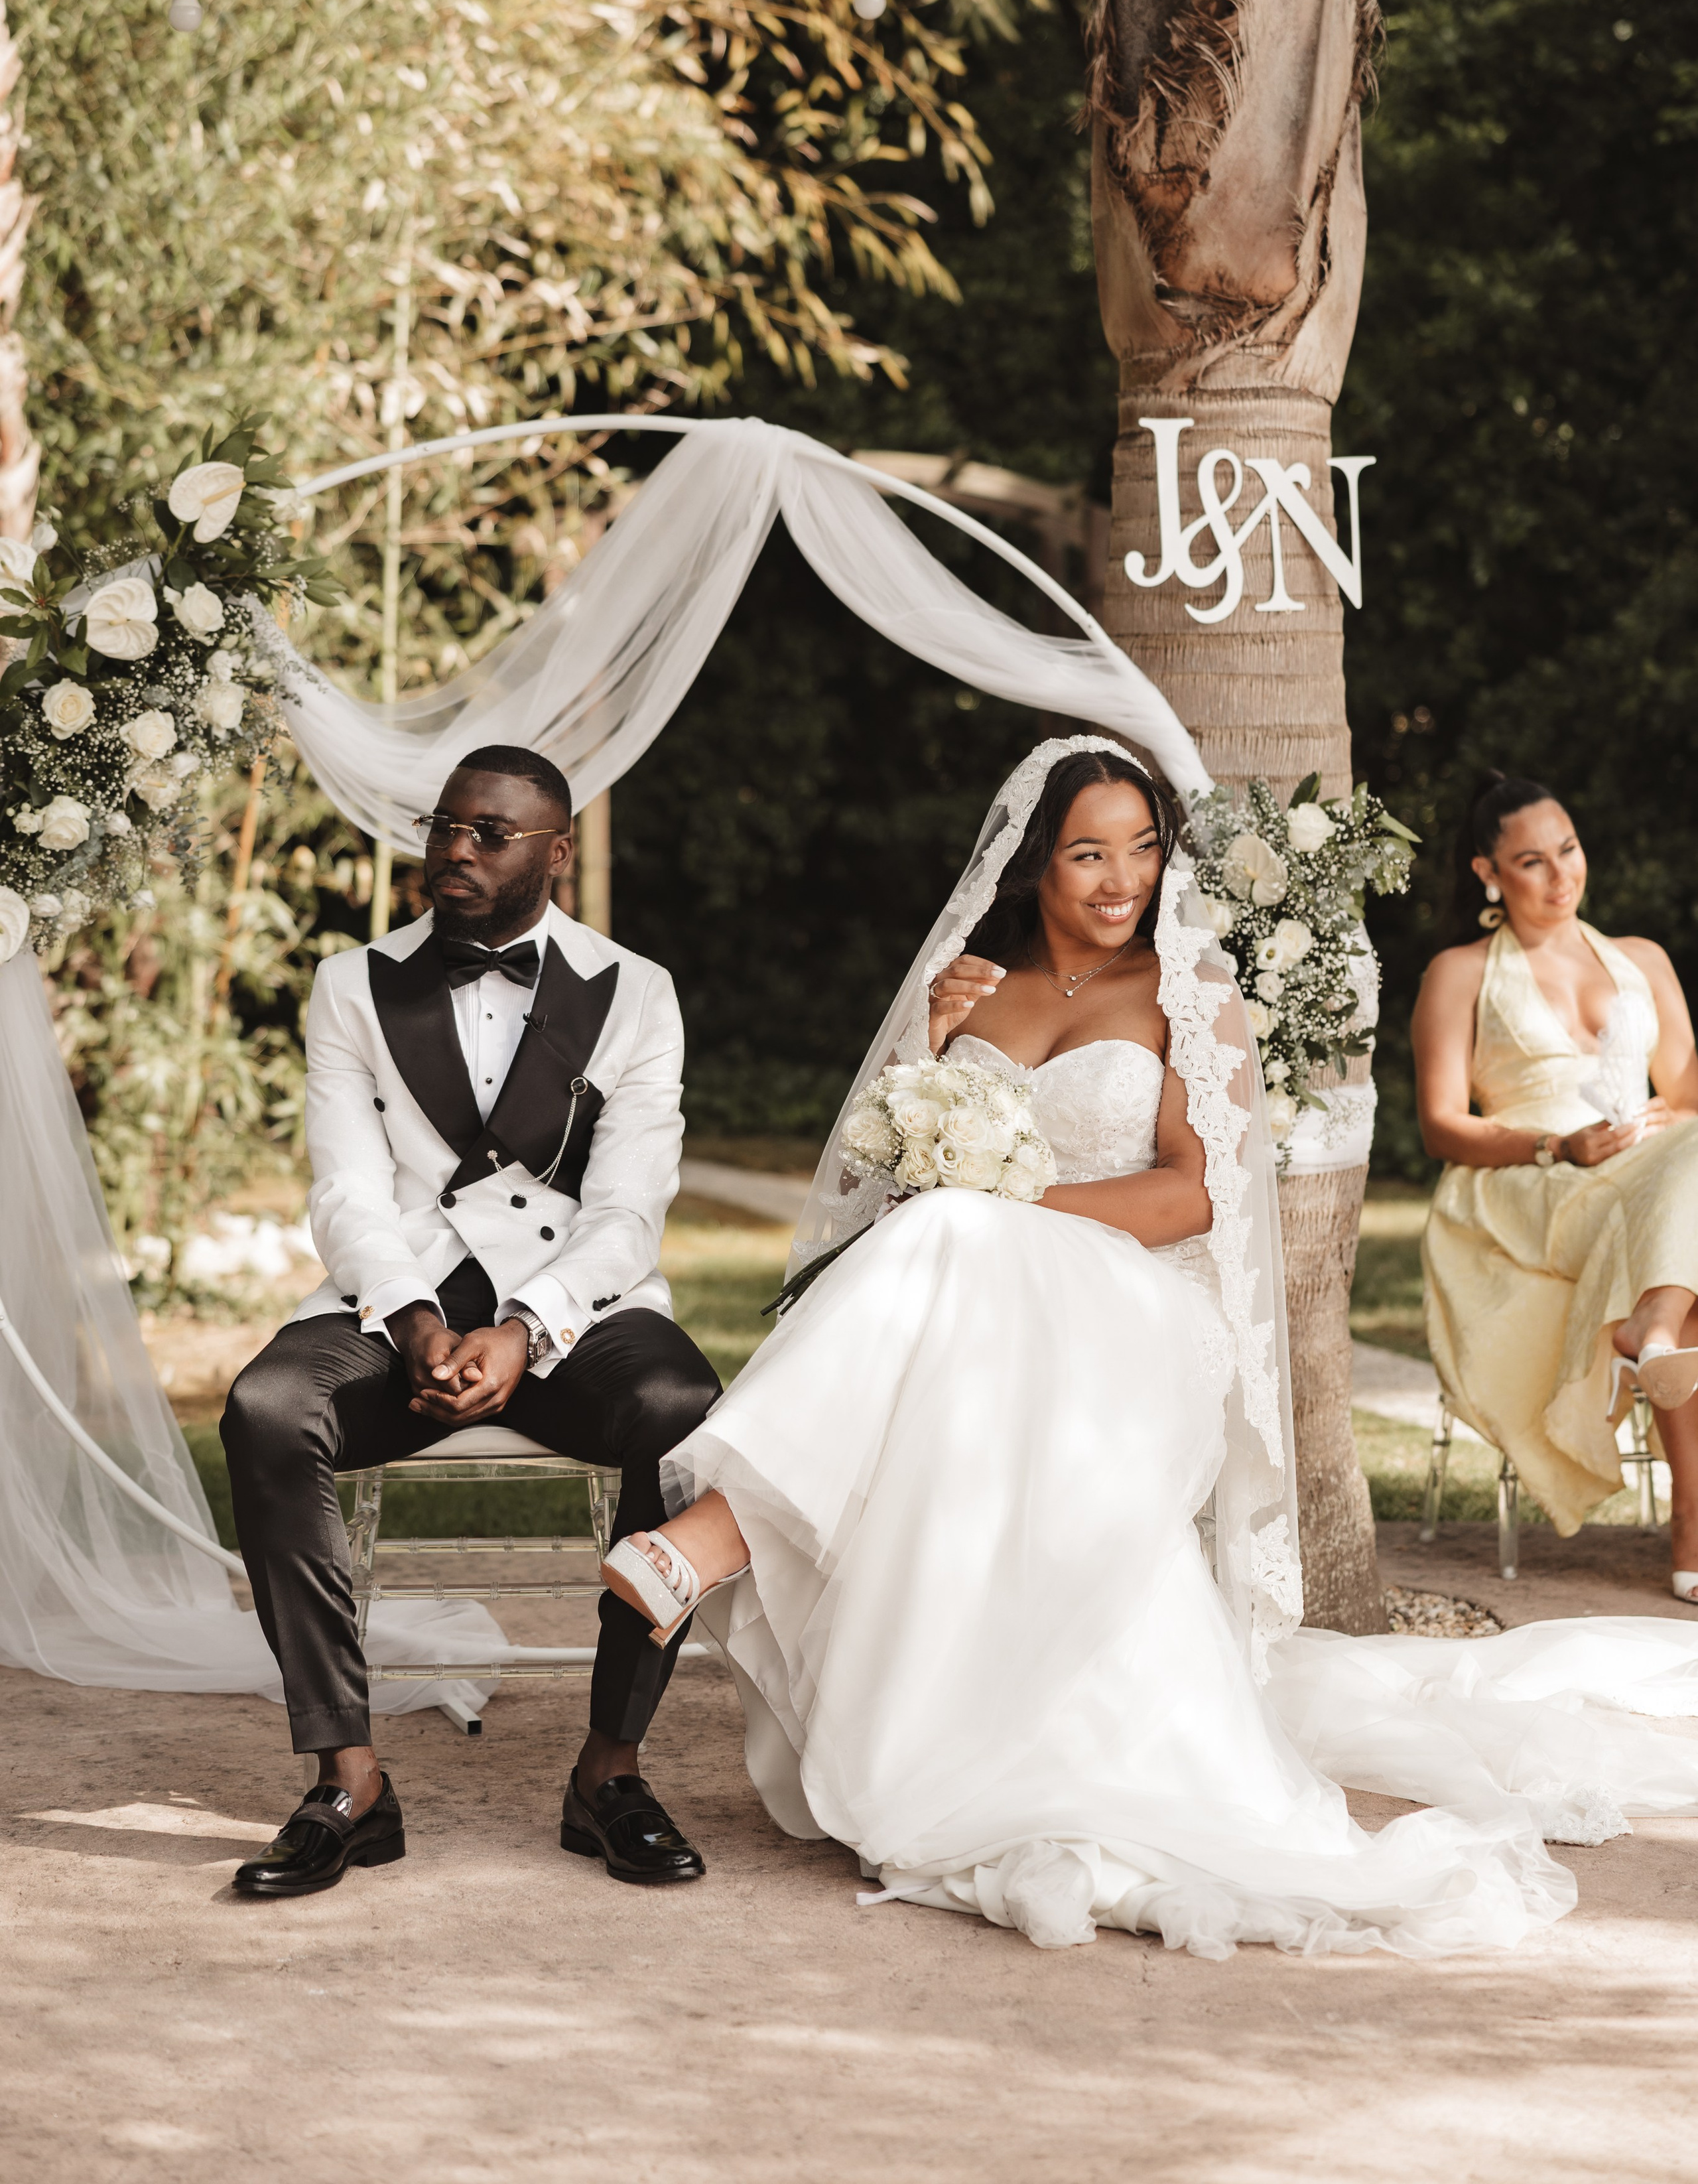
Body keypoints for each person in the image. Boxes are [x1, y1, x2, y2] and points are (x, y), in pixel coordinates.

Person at [594, 738, 1698, 1958]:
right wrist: (925, 1045)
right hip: (977, 1293)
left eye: (1141, 847)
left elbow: (1193, 1200)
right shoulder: (975, 985)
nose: (1119, 878)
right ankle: (792, 1610)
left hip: (1134, 1304)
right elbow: (881, 1171)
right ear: (1036, 862)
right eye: (1087, 851)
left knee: (956, 1238)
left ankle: (714, 1534)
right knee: (944, 1250)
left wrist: (1008, 1209)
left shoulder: (1188, 992)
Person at [222, 745, 721, 1896]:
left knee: (683, 1413)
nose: (455, 848)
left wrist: (528, 1329)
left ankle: (610, 1771)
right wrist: (410, 1325)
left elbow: (630, 1210)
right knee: (266, 1405)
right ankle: (348, 1781)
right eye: (446, 826)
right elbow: (345, 1191)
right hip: (398, 1305)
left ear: (555, 852)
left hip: (571, 1310)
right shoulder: (353, 984)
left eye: (488, 833)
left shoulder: (634, 992)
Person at [1411, 772, 1698, 1591]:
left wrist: (1650, 1130)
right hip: (1525, 1175)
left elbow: (1684, 1098)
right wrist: (1558, 1146)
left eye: (1567, 850)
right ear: (1487, 874)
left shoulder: (1642, 959)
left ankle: (1654, 1325)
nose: (1560, 875)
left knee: (1681, 1191)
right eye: (1531, 862)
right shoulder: (1459, 972)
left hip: (1652, 1161)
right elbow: (1442, 1126)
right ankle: (1690, 1526)